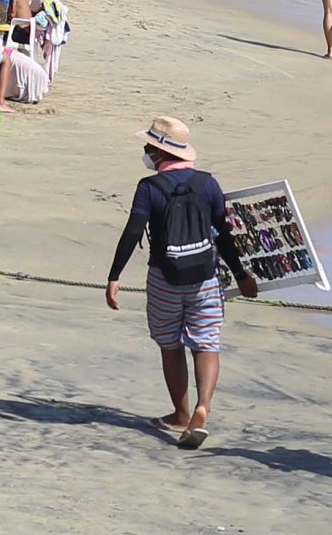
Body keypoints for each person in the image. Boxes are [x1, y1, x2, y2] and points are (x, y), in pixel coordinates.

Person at [104, 117, 257, 450]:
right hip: (205, 277)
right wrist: (242, 275)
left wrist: (114, 275)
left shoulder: (149, 188)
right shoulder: (208, 184)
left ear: (159, 152)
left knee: (170, 344)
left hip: (164, 277)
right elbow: (224, 235)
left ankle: (181, 413)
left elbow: (133, 232)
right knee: (206, 343)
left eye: (148, 147)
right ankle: (203, 407)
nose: (145, 153)